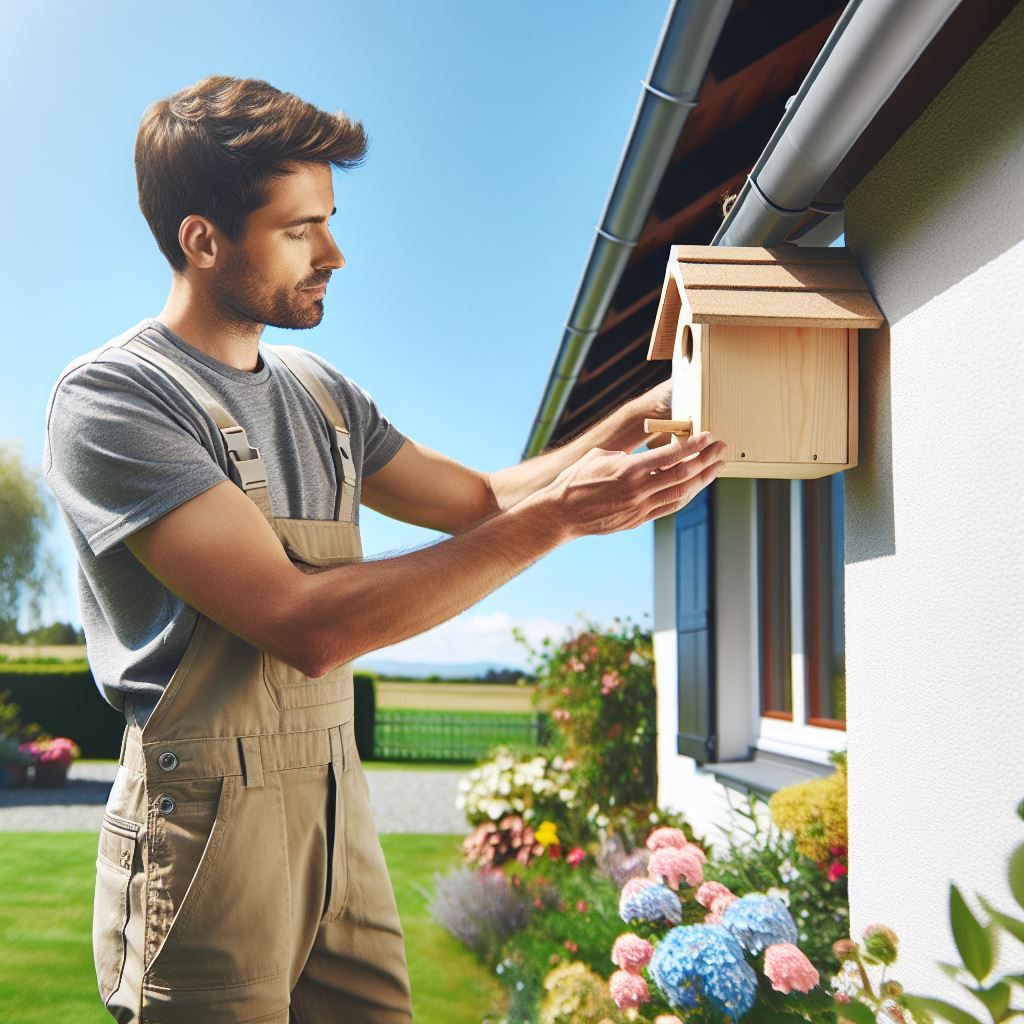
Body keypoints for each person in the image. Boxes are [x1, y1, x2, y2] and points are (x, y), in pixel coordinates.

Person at [42, 74, 727, 1024]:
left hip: (335, 800)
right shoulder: (116, 401)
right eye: (299, 229)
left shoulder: (321, 392)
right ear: (202, 240)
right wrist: (564, 517)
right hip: (202, 831)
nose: (335, 253)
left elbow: (481, 500)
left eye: (329, 219)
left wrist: (621, 430)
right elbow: (301, 624)